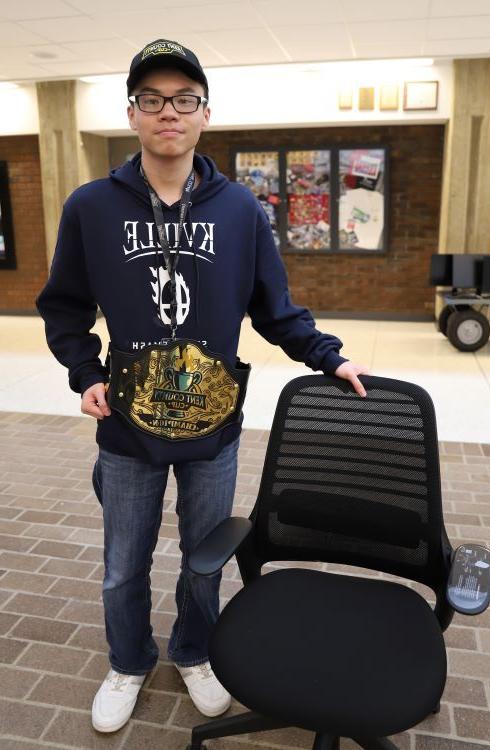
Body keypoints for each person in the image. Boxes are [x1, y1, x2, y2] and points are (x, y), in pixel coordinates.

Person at [36, 38, 369, 734]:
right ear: (132, 113)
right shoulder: (92, 207)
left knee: (203, 559)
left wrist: (327, 357)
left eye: (184, 100)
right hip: (127, 428)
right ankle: (128, 661)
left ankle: (193, 651)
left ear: (204, 114)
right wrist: (85, 372)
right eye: (152, 99)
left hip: (212, 427)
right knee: (122, 567)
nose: (169, 113)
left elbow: (276, 308)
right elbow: (64, 306)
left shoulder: (240, 210)